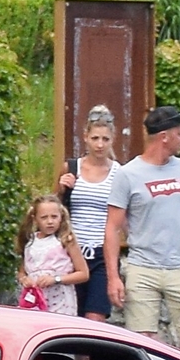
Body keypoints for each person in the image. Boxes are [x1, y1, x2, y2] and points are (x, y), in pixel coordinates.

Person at [104, 104, 180, 360]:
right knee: (142, 343)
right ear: (164, 137)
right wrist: (113, 277)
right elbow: (113, 228)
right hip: (142, 268)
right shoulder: (127, 175)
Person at [57, 105, 121, 321]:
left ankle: (91, 357)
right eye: (95, 138)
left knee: (95, 319)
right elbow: (52, 210)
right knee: (70, 317)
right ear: (85, 137)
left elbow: (123, 216)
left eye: (105, 139)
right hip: (71, 252)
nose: (100, 144)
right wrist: (61, 189)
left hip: (102, 254)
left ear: (113, 139)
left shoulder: (119, 173)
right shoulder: (71, 167)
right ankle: (76, 357)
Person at [19, 197, 89, 317]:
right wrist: (24, 280)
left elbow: (83, 273)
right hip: (35, 297)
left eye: (54, 217)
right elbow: (22, 271)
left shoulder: (65, 240)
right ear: (35, 219)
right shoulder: (30, 242)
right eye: (44, 217)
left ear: (61, 217)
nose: (50, 221)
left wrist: (56, 279)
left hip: (60, 300)